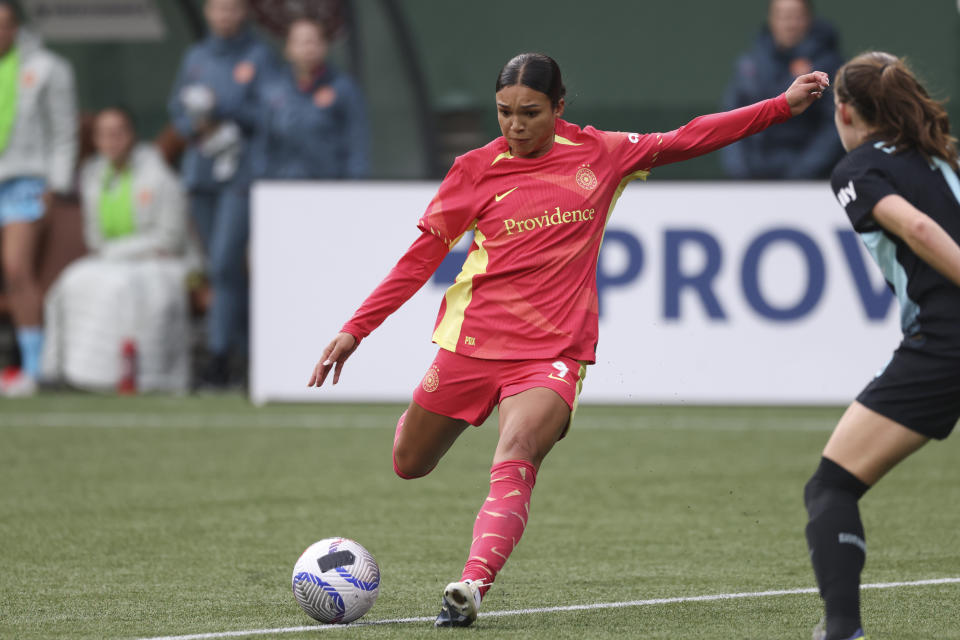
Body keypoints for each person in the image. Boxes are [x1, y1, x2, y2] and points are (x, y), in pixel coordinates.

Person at [308, 52, 828, 627]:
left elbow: (690, 137)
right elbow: (419, 259)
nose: (515, 125)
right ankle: (437, 463)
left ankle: (471, 587)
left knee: (517, 454)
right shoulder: (474, 169)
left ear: (559, 107)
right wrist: (356, 328)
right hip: (470, 346)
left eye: (530, 112)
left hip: (553, 353)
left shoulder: (602, 154)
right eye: (504, 112)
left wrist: (780, 106)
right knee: (409, 462)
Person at [804, 51, 960, 640]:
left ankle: (842, 630)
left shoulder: (858, 168)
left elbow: (917, 229)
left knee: (832, 486)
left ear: (843, 110)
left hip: (947, 343)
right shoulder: (946, 156)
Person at [41, 108, 194, 393]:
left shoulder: (159, 174)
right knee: (67, 284)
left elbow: (170, 239)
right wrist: (114, 255)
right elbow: (95, 237)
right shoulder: (92, 176)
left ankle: (138, 377)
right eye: (104, 135)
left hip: (162, 263)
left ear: (132, 136)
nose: (112, 141)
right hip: (109, 261)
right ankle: (61, 371)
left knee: (122, 288)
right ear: (96, 140)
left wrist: (125, 253)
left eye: (118, 133)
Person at [167, 0, 275, 388]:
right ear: (209, 12)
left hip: (240, 177)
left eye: (232, 8)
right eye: (218, 8)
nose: (225, 15)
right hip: (201, 174)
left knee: (226, 265)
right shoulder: (196, 56)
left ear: (243, 12)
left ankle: (218, 356)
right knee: (220, 268)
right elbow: (177, 111)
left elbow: (266, 115)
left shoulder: (258, 56)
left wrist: (222, 110)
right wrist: (195, 121)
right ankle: (244, 356)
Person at [0, 0, 76, 396]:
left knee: (17, 270)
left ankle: (33, 367)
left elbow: (65, 130)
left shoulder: (47, 68)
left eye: (4, 25)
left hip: (25, 182)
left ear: (16, 27)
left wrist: (55, 185)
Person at [721, 0, 844, 179]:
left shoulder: (829, 65)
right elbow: (731, 118)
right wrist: (740, 171)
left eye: (796, 17)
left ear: (809, 20)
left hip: (810, 182)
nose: (790, 25)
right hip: (754, 177)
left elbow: (833, 124)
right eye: (783, 17)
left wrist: (803, 171)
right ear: (771, 20)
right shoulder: (750, 64)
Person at [253, 16, 368, 180]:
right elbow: (262, 145)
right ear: (288, 48)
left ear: (325, 46)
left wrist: (355, 186)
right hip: (282, 189)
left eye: (314, 41)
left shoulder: (343, 88)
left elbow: (356, 144)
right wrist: (262, 181)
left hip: (329, 187)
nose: (309, 48)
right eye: (302, 42)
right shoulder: (272, 91)